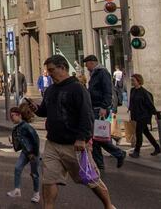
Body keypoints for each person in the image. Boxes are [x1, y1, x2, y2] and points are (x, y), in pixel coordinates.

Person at [29, 55, 113, 209]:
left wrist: (82, 138)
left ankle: (108, 205)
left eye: (52, 70)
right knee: (49, 179)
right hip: (53, 143)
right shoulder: (50, 90)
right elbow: (44, 111)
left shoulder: (77, 88)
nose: (49, 73)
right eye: (48, 70)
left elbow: (86, 115)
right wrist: (36, 109)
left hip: (74, 144)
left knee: (90, 179)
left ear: (63, 68)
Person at [83, 55, 126, 170]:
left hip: (100, 108)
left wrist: (104, 106)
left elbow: (108, 91)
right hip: (94, 107)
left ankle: (118, 153)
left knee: (98, 136)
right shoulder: (95, 74)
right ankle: (99, 163)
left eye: (87, 64)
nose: (86, 67)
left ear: (92, 63)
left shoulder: (102, 73)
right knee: (95, 137)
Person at [7, 104, 41, 203]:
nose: (11, 118)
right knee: (17, 168)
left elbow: (36, 140)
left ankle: (36, 194)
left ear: (19, 115)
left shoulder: (26, 127)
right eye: (11, 116)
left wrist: (33, 153)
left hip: (32, 153)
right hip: (25, 152)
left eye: (13, 116)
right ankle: (17, 190)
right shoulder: (18, 128)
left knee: (34, 174)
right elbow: (22, 141)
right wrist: (13, 142)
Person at [128, 73, 161, 158]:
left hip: (143, 116)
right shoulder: (133, 90)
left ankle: (137, 151)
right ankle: (157, 147)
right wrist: (130, 109)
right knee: (146, 132)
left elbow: (150, 105)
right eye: (131, 80)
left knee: (139, 133)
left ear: (139, 81)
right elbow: (132, 102)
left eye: (133, 80)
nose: (132, 82)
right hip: (135, 115)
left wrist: (156, 114)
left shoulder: (144, 93)